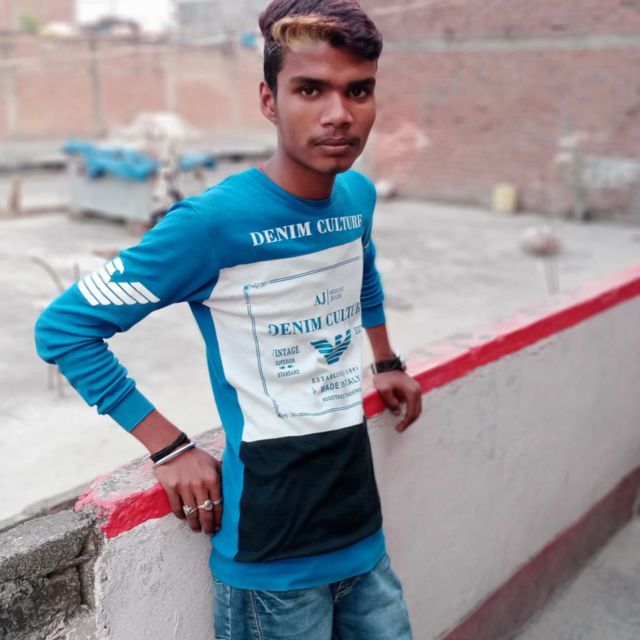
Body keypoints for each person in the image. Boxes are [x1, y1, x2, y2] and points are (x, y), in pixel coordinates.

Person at [34, 0, 422, 637]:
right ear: (270, 101)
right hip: (271, 563)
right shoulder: (211, 225)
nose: (339, 114)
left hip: (362, 535)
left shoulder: (356, 196)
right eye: (310, 90)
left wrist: (385, 360)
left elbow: (361, 268)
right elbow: (65, 328)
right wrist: (168, 445)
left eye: (358, 91)